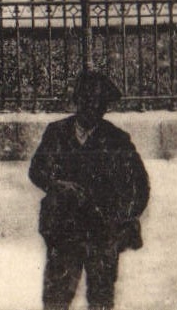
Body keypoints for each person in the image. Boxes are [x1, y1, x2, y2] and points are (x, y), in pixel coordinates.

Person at [29, 69, 149, 310]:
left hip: (102, 233)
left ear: (104, 108)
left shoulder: (117, 140)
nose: (91, 109)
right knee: (56, 297)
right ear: (77, 102)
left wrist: (119, 219)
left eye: (98, 104)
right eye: (86, 102)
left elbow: (140, 188)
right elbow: (36, 170)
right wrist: (56, 185)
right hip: (63, 229)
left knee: (101, 298)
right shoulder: (57, 133)